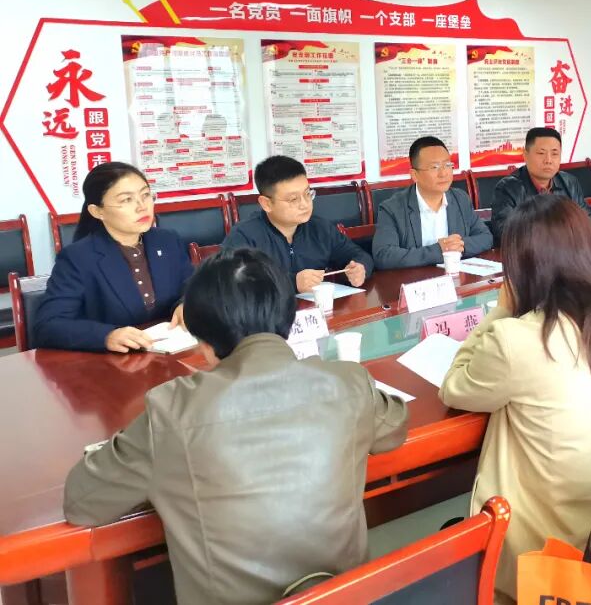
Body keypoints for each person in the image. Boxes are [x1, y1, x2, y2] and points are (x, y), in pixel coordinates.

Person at [62, 248, 409, 605]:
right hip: (345, 598)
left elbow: (82, 501)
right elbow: (394, 426)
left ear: (204, 344)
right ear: (288, 317)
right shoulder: (347, 382)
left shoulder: (171, 410)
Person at [440, 195, 591, 602]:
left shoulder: (516, 339)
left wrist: (500, 311)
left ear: (522, 267)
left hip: (544, 550)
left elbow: (454, 386)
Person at [35, 162, 191, 352]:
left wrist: (186, 304)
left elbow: (192, 286)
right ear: (97, 211)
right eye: (127, 200)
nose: (142, 207)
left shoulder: (168, 241)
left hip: (173, 353)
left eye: (145, 195)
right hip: (114, 362)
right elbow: (49, 325)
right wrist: (106, 336)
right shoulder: (77, 258)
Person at [221, 155, 373, 293]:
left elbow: (359, 255)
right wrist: (293, 283)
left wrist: (360, 268)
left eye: (307, 194)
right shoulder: (244, 236)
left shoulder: (320, 228)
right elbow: (230, 284)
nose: (305, 204)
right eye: (293, 199)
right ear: (266, 203)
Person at [372, 136, 492, 269]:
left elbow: (486, 237)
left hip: (455, 277)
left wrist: (459, 246)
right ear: (414, 175)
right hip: (416, 280)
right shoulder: (392, 209)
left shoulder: (460, 199)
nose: (443, 173)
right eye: (434, 167)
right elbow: (383, 255)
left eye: (447, 165)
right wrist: (438, 251)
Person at [489, 127, 591, 242]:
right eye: (541, 153)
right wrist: (561, 229)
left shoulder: (569, 182)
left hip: (566, 249)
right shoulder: (508, 188)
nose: (548, 160)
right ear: (525, 155)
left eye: (554, 153)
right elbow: (504, 232)